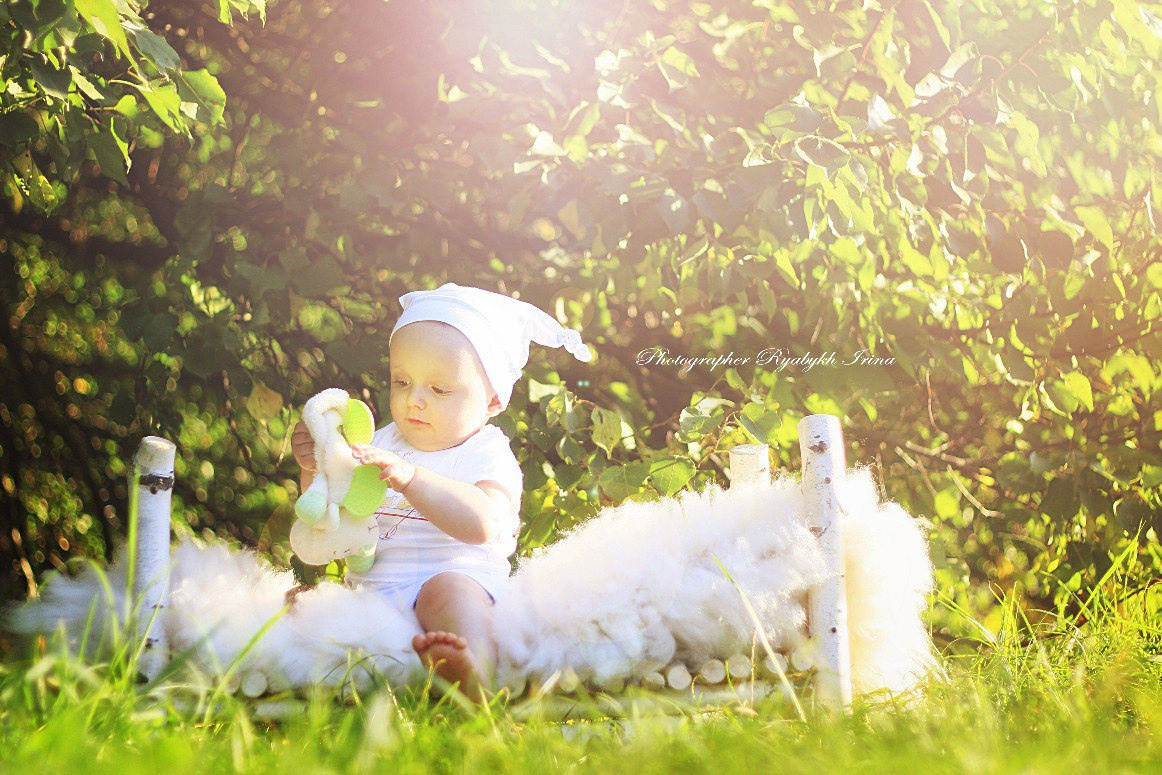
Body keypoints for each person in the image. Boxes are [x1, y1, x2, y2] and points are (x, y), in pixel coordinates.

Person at [291, 283, 591, 702]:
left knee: (448, 593)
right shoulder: (381, 441)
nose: (414, 400)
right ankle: (312, 676)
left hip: (455, 578)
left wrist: (412, 479)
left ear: (493, 400)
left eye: (439, 389)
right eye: (402, 381)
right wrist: (315, 467)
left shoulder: (486, 451)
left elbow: (482, 522)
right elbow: (331, 513)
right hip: (374, 589)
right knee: (308, 603)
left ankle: (474, 672)